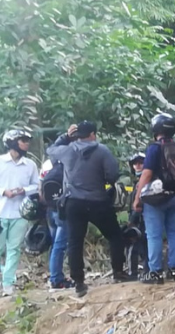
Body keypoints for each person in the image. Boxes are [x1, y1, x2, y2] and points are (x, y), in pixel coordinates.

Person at [47, 121, 129, 297]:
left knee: (75, 242)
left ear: (76, 135)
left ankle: (79, 282)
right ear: (92, 134)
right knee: (115, 235)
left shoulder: (67, 150)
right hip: (97, 201)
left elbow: (51, 150)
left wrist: (65, 137)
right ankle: (118, 272)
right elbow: (113, 175)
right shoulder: (102, 150)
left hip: (73, 203)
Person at [0, 129, 40, 304]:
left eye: (27, 140)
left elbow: (37, 185)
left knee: (14, 249)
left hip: (20, 213)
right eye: (23, 140)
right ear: (12, 143)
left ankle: (8, 284)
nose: (27, 143)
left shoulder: (30, 165)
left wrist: (23, 190)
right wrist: (3, 192)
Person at [132, 114, 175, 285]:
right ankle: (174, 270)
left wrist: (137, 197)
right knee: (174, 233)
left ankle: (155, 272)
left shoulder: (154, 149)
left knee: (154, 235)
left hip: (155, 198)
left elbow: (147, 173)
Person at [40, 157, 74, 290]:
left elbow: (40, 189)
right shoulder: (71, 161)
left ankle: (54, 275)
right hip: (63, 211)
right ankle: (56, 279)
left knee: (55, 245)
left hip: (50, 210)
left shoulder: (48, 164)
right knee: (59, 246)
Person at [126, 153, 147, 277]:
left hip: (141, 218)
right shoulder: (137, 182)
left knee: (135, 246)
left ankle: (133, 273)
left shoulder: (144, 181)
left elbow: (139, 204)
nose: (137, 166)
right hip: (140, 218)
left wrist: (132, 219)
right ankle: (145, 270)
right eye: (135, 163)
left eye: (140, 163)